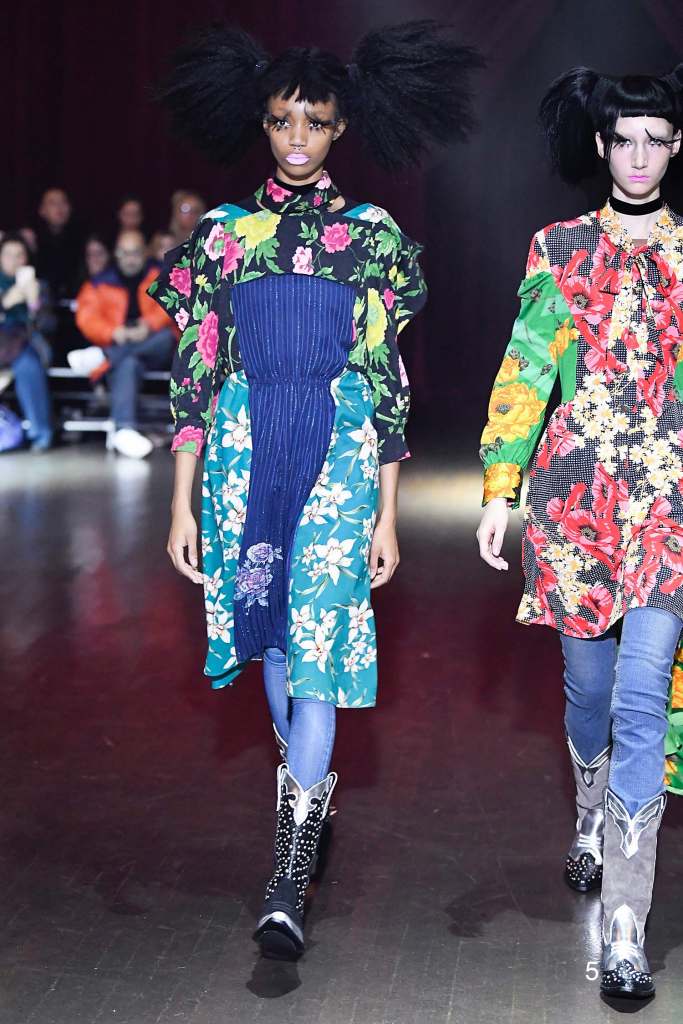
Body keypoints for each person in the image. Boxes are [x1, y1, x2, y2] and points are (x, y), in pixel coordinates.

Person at [152, 22, 482, 959]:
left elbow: (384, 379)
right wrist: (179, 502)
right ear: (262, 125)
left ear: (341, 129)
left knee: (320, 643)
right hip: (242, 455)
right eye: (281, 121)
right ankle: (309, 793)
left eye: (315, 123)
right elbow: (194, 374)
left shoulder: (372, 237)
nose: (297, 139)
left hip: (337, 454)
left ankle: (288, 871)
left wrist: (386, 513)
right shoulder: (222, 236)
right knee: (271, 637)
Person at [477, 65, 683, 1000]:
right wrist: (499, 485)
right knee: (589, 693)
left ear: (675, 147)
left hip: (669, 503)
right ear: (600, 147)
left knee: (642, 701)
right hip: (575, 503)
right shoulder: (557, 248)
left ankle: (625, 923)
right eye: (623, 140)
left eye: (655, 140)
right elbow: (526, 367)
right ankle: (588, 816)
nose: (638, 156)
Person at [69, 229, 175, 458]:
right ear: (116, 254)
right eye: (124, 253)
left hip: (157, 345)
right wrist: (114, 333)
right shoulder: (100, 282)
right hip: (123, 344)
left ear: (145, 253)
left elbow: (175, 302)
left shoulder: (162, 275)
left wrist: (148, 325)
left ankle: (104, 356)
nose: (130, 258)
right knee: (128, 363)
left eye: (135, 252)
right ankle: (124, 430)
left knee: (167, 337)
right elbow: (86, 317)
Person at [0, 234, 54, 450]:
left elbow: (49, 325)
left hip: (24, 342)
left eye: (19, 255)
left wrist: (34, 303)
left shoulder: (39, 286)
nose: (14, 260)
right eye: (8, 255)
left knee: (29, 366)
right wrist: (5, 303)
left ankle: (40, 433)